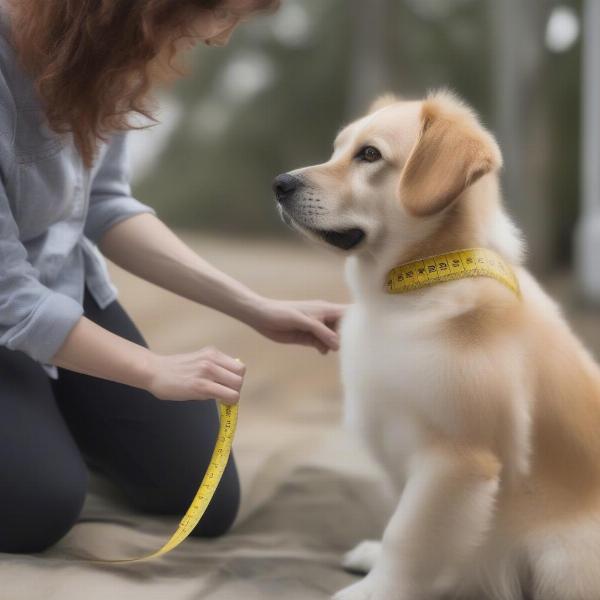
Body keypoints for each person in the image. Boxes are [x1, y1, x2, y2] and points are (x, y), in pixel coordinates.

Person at [0, 0, 344, 554]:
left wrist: (255, 307)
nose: (219, 37)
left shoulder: (103, 56)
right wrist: (150, 370)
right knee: (39, 506)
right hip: (5, 305)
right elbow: (9, 299)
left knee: (205, 498)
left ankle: (43, 417)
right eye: (224, 14)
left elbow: (105, 204)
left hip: (57, 284)